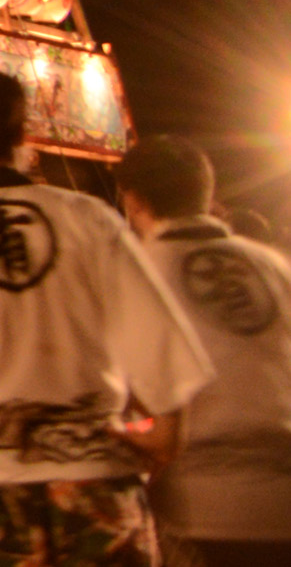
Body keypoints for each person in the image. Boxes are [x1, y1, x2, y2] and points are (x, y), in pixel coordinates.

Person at [0, 68, 212, 567]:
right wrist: (161, 441)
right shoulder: (88, 217)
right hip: (99, 486)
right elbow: (164, 351)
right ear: (25, 129)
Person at [117, 135, 291, 567]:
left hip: (204, 510)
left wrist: (115, 431)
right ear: (205, 192)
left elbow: (148, 417)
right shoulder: (271, 265)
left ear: (133, 201)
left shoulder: (137, 273)